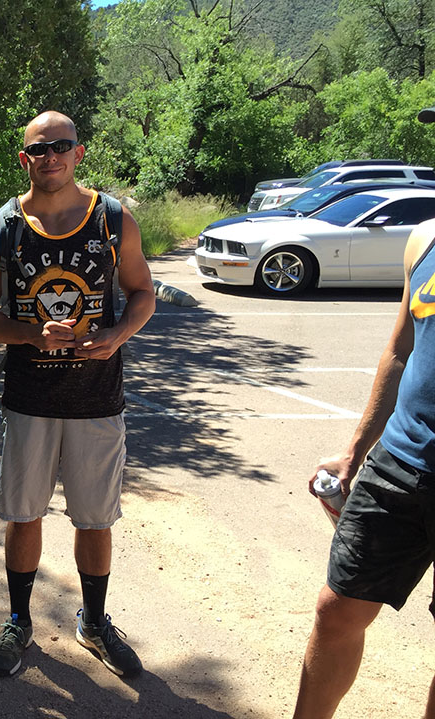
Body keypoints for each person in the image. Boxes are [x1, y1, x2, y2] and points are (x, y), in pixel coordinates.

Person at [0, 111, 155, 678]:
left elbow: (142, 292)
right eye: (38, 150)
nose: (50, 158)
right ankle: (18, 621)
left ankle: (94, 623)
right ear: (24, 159)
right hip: (30, 399)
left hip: (97, 398)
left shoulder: (112, 219)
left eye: (61, 147)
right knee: (24, 516)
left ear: (79, 153)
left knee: (94, 520)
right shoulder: (2, 230)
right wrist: (28, 333)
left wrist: (119, 334)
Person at [291, 161, 435, 714]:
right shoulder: (426, 239)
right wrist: (355, 451)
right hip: (400, 463)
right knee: (337, 612)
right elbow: (401, 350)